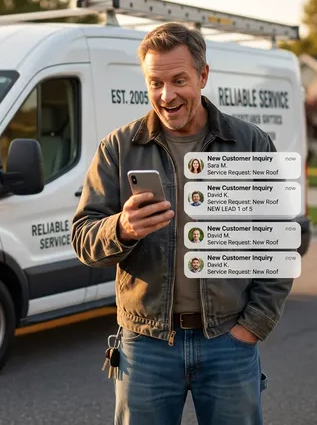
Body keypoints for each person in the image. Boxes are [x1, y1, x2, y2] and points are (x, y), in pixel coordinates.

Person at [71, 22, 293, 425]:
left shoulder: (251, 145)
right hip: (145, 344)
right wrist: (120, 229)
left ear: (203, 76)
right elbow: (83, 236)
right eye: (155, 83)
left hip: (228, 341)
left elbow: (277, 247)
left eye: (179, 80)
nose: (166, 95)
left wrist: (252, 328)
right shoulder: (118, 149)